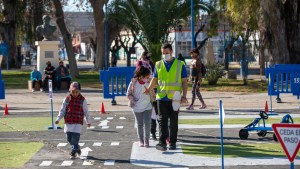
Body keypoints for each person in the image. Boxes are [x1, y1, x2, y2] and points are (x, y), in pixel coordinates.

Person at [145, 43, 188, 151]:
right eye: (163, 53)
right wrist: (149, 89)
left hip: (175, 98)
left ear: (171, 52)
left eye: (167, 53)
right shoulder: (158, 64)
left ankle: (172, 142)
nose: (165, 55)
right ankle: (162, 142)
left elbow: (184, 82)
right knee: (162, 120)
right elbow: (154, 79)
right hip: (161, 97)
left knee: (174, 121)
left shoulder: (180, 64)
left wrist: (184, 96)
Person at [55, 82, 91, 159]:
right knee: (68, 138)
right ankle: (77, 147)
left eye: (77, 92)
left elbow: (86, 111)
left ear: (80, 91)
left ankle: (73, 151)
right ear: (70, 91)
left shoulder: (82, 100)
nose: (75, 93)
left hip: (78, 122)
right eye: (73, 92)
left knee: (75, 138)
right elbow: (62, 110)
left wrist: (88, 121)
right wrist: (58, 119)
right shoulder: (67, 99)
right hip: (68, 121)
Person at [127, 66, 154, 148]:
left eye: (149, 77)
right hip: (137, 107)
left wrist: (153, 96)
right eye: (147, 77)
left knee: (147, 123)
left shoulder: (149, 82)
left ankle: (146, 140)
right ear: (141, 76)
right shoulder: (133, 83)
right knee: (139, 124)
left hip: (148, 106)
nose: (148, 78)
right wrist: (135, 101)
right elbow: (128, 94)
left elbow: (154, 88)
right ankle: (141, 140)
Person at [135, 51, 158, 140]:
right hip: (142, 90)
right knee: (142, 118)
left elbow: (154, 75)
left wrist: (152, 84)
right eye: (146, 56)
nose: (147, 58)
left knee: (154, 113)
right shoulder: (140, 63)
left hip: (151, 88)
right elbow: (138, 74)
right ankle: (144, 134)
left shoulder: (151, 63)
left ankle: (153, 132)